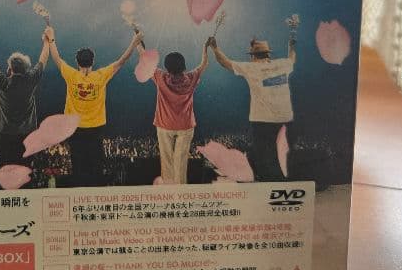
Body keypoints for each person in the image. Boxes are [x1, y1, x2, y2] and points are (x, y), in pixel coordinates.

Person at [44, 24, 142, 187]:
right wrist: (134, 42)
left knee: (78, 164)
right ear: (93, 61)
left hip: (74, 128)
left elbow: (56, 58)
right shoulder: (100, 76)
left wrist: (51, 38)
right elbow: (122, 61)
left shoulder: (71, 75)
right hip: (96, 127)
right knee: (95, 165)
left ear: (77, 62)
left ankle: (79, 191)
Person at [209, 33, 297, 181]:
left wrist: (215, 48)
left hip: (263, 120)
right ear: (268, 54)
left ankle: (268, 182)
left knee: (264, 154)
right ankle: (285, 180)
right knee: (284, 153)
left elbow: (225, 62)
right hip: (285, 119)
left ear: (253, 56)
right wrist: (291, 46)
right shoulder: (283, 64)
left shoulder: (251, 68)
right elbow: (292, 58)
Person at [0, 31, 50, 179]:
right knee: (25, 172)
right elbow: (43, 59)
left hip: (5, 136)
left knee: (5, 173)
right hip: (26, 136)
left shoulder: (3, 83)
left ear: (10, 69)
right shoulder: (30, 80)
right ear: (26, 69)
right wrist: (46, 41)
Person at [144, 39, 212, 183]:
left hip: (164, 125)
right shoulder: (191, 78)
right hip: (185, 126)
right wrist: (205, 47)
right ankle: (180, 190)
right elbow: (204, 64)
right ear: (183, 66)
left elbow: (144, 59)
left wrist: (139, 41)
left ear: (167, 67)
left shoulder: (161, 77)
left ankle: (168, 190)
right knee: (181, 163)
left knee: (167, 161)